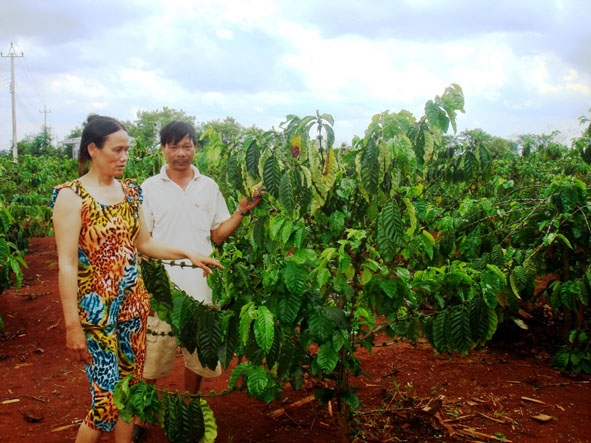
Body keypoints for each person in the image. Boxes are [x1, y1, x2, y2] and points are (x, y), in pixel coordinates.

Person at [50, 114, 223, 443]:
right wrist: (72, 325)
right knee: (105, 407)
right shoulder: (71, 197)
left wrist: (189, 253)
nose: (124, 157)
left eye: (127, 150)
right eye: (117, 150)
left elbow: (145, 243)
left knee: (128, 393)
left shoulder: (130, 193)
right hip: (96, 312)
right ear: (93, 150)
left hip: (132, 306)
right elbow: (67, 264)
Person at [132, 120, 261, 442]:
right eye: (173, 146)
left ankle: (191, 404)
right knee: (153, 356)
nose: (180, 153)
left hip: (201, 284)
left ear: (195, 148)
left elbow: (217, 235)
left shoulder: (208, 186)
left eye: (186, 145)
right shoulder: (148, 188)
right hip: (162, 288)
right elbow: (142, 239)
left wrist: (240, 213)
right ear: (162, 149)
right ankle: (142, 416)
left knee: (197, 353)